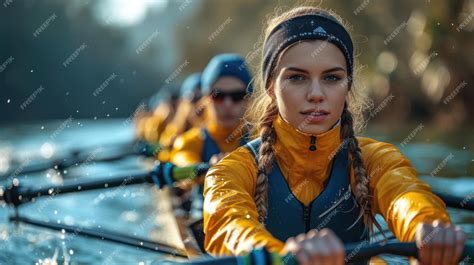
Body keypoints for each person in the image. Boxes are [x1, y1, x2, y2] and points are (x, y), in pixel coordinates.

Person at [203, 7, 466, 265]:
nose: (316, 93)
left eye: (331, 78)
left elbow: (405, 195)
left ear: (348, 86)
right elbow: (228, 225)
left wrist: (428, 227)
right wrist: (277, 255)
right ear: (271, 88)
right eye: (297, 78)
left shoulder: (377, 159)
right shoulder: (229, 172)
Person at [171, 53, 253, 220]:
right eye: (218, 96)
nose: (228, 104)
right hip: (204, 224)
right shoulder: (190, 141)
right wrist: (208, 168)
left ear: (248, 98)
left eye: (237, 96)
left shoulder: (261, 139)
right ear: (206, 98)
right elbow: (182, 163)